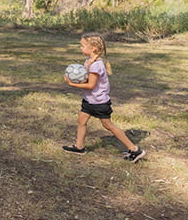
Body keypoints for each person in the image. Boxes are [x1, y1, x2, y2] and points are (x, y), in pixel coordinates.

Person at [62, 33, 146, 162]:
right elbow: (86, 79)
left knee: (108, 126)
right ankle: (79, 147)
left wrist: (71, 83)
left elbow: (90, 85)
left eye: (83, 46)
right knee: (81, 121)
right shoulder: (89, 61)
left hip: (99, 102)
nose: (80, 48)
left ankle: (134, 149)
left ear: (93, 48)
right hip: (89, 100)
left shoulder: (96, 65)